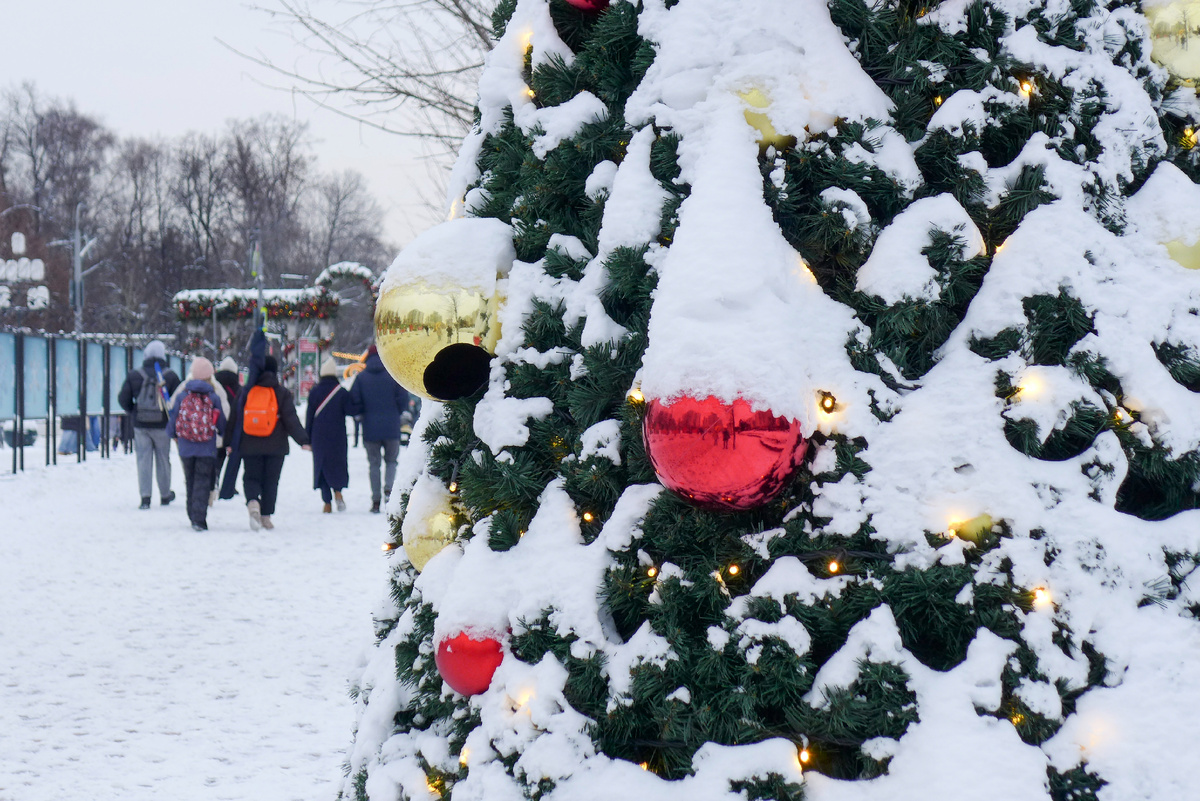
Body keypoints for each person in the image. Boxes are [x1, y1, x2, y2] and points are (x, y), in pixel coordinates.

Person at [225, 355, 310, 530]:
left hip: (249, 444)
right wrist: (303, 440)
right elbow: (290, 420)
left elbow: (234, 419)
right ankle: (266, 517)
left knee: (251, 477)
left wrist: (229, 442)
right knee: (271, 482)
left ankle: (253, 503)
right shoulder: (281, 392)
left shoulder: (245, 392)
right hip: (276, 446)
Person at [117, 340, 182, 509]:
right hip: (163, 425)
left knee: (143, 460)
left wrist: (134, 411)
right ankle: (165, 494)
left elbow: (123, 398)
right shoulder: (170, 376)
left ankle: (145, 497)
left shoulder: (134, 375)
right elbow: (179, 401)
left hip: (141, 425)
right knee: (163, 459)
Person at [166, 357, 226, 531]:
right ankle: (199, 519)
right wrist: (223, 434)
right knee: (203, 481)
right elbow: (220, 419)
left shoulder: (183, 395)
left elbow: (174, 416)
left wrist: (172, 434)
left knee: (190, 479)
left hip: (185, 445)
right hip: (206, 446)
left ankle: (192, 514)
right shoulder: (213, 397)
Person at [348, 344, 409, 513]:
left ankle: (375, 500)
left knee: (373, 464)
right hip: (392, 429)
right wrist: (396, 412)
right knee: (391, 461)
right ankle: (389, 490)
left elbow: (355, 400)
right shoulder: (394, 375)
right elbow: (403, 400)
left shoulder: (361, 378)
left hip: (370, 430)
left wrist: (362, 413)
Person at [306, 358, 352, 513]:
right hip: (338, 435)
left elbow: (309, 415)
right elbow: (352, 409)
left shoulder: (314, 391)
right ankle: (338, 493)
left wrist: (307, 437)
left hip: (318, 435)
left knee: (322, 466)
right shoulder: (341, 392)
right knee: (337, 464)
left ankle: (327, 503)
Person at [212, 357, 242, 502]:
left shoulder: (214, 384)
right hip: (233, 425)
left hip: (216, 423)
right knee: (232, 457)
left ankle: (215, 477)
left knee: (217, 454)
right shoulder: (238, 387)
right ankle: (229, 485)